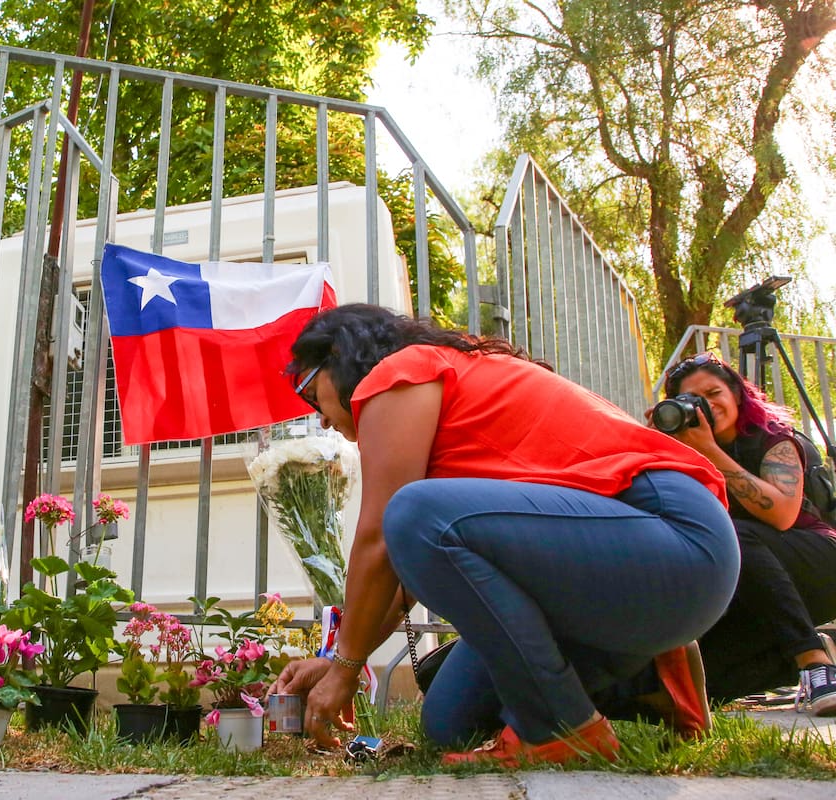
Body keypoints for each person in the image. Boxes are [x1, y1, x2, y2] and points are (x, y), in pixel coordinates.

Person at [270, 304, 739, 766]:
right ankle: (650, 678)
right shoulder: (440, 431)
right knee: (450, 721)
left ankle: (565, 730)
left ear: (343, 356)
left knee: (411, 511)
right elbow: (404, 579)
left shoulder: (403, 371)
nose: (324, 420)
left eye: (312, 396)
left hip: (673, 537)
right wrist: (335, 662)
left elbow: (383, 537)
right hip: (624, 586)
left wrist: (348, 668)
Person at [658, 352, 836, 714]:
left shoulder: (771, 438)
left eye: (713, 393)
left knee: (729, 533)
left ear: (736, 395)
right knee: (705, 685)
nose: (706, 405)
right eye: (692, 400)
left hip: (818, 563)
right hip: (758, 588)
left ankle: (814, 660)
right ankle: (824, 648)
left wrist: (708, 450)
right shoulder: (680, 452)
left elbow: (784, 515)